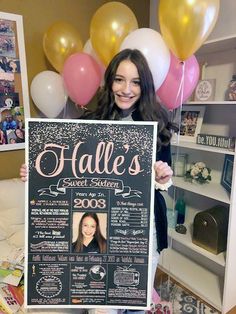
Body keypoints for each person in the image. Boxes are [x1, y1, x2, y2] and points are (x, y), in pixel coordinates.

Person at [20, 48, 177, 314]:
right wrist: (35, 173)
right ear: (110, 82)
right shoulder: (90, 122)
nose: (126, 89)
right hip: (105, 230)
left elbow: (164, 174)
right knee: (100, 308)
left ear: (145, 86)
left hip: (141, 229)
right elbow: (66, 171)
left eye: (136, 82)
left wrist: (162, 176)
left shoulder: (156, 123)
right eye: (119, 79)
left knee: (136, 304)